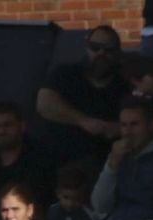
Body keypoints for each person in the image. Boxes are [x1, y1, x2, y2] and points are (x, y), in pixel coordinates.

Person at [36, 24, 129, 165]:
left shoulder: (124, 86)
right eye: (95, 47)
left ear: (117, 53)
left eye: (108, 50)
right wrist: (83, 121)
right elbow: (44, 104)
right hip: (59, 161)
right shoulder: (65, 74)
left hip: (104, 164)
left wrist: (118, 128)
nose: (100, 54)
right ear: (87, 48)